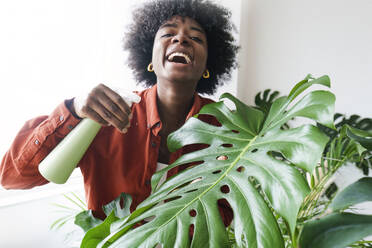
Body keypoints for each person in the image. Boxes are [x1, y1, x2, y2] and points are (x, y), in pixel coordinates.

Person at [0, 0, 239, 223]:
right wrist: (74, 110)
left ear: (208, 65)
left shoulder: (226, 128)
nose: (181, 39)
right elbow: (12, 177)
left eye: (196, 38)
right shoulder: (108, 115)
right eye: (168, 33)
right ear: (150, 58)